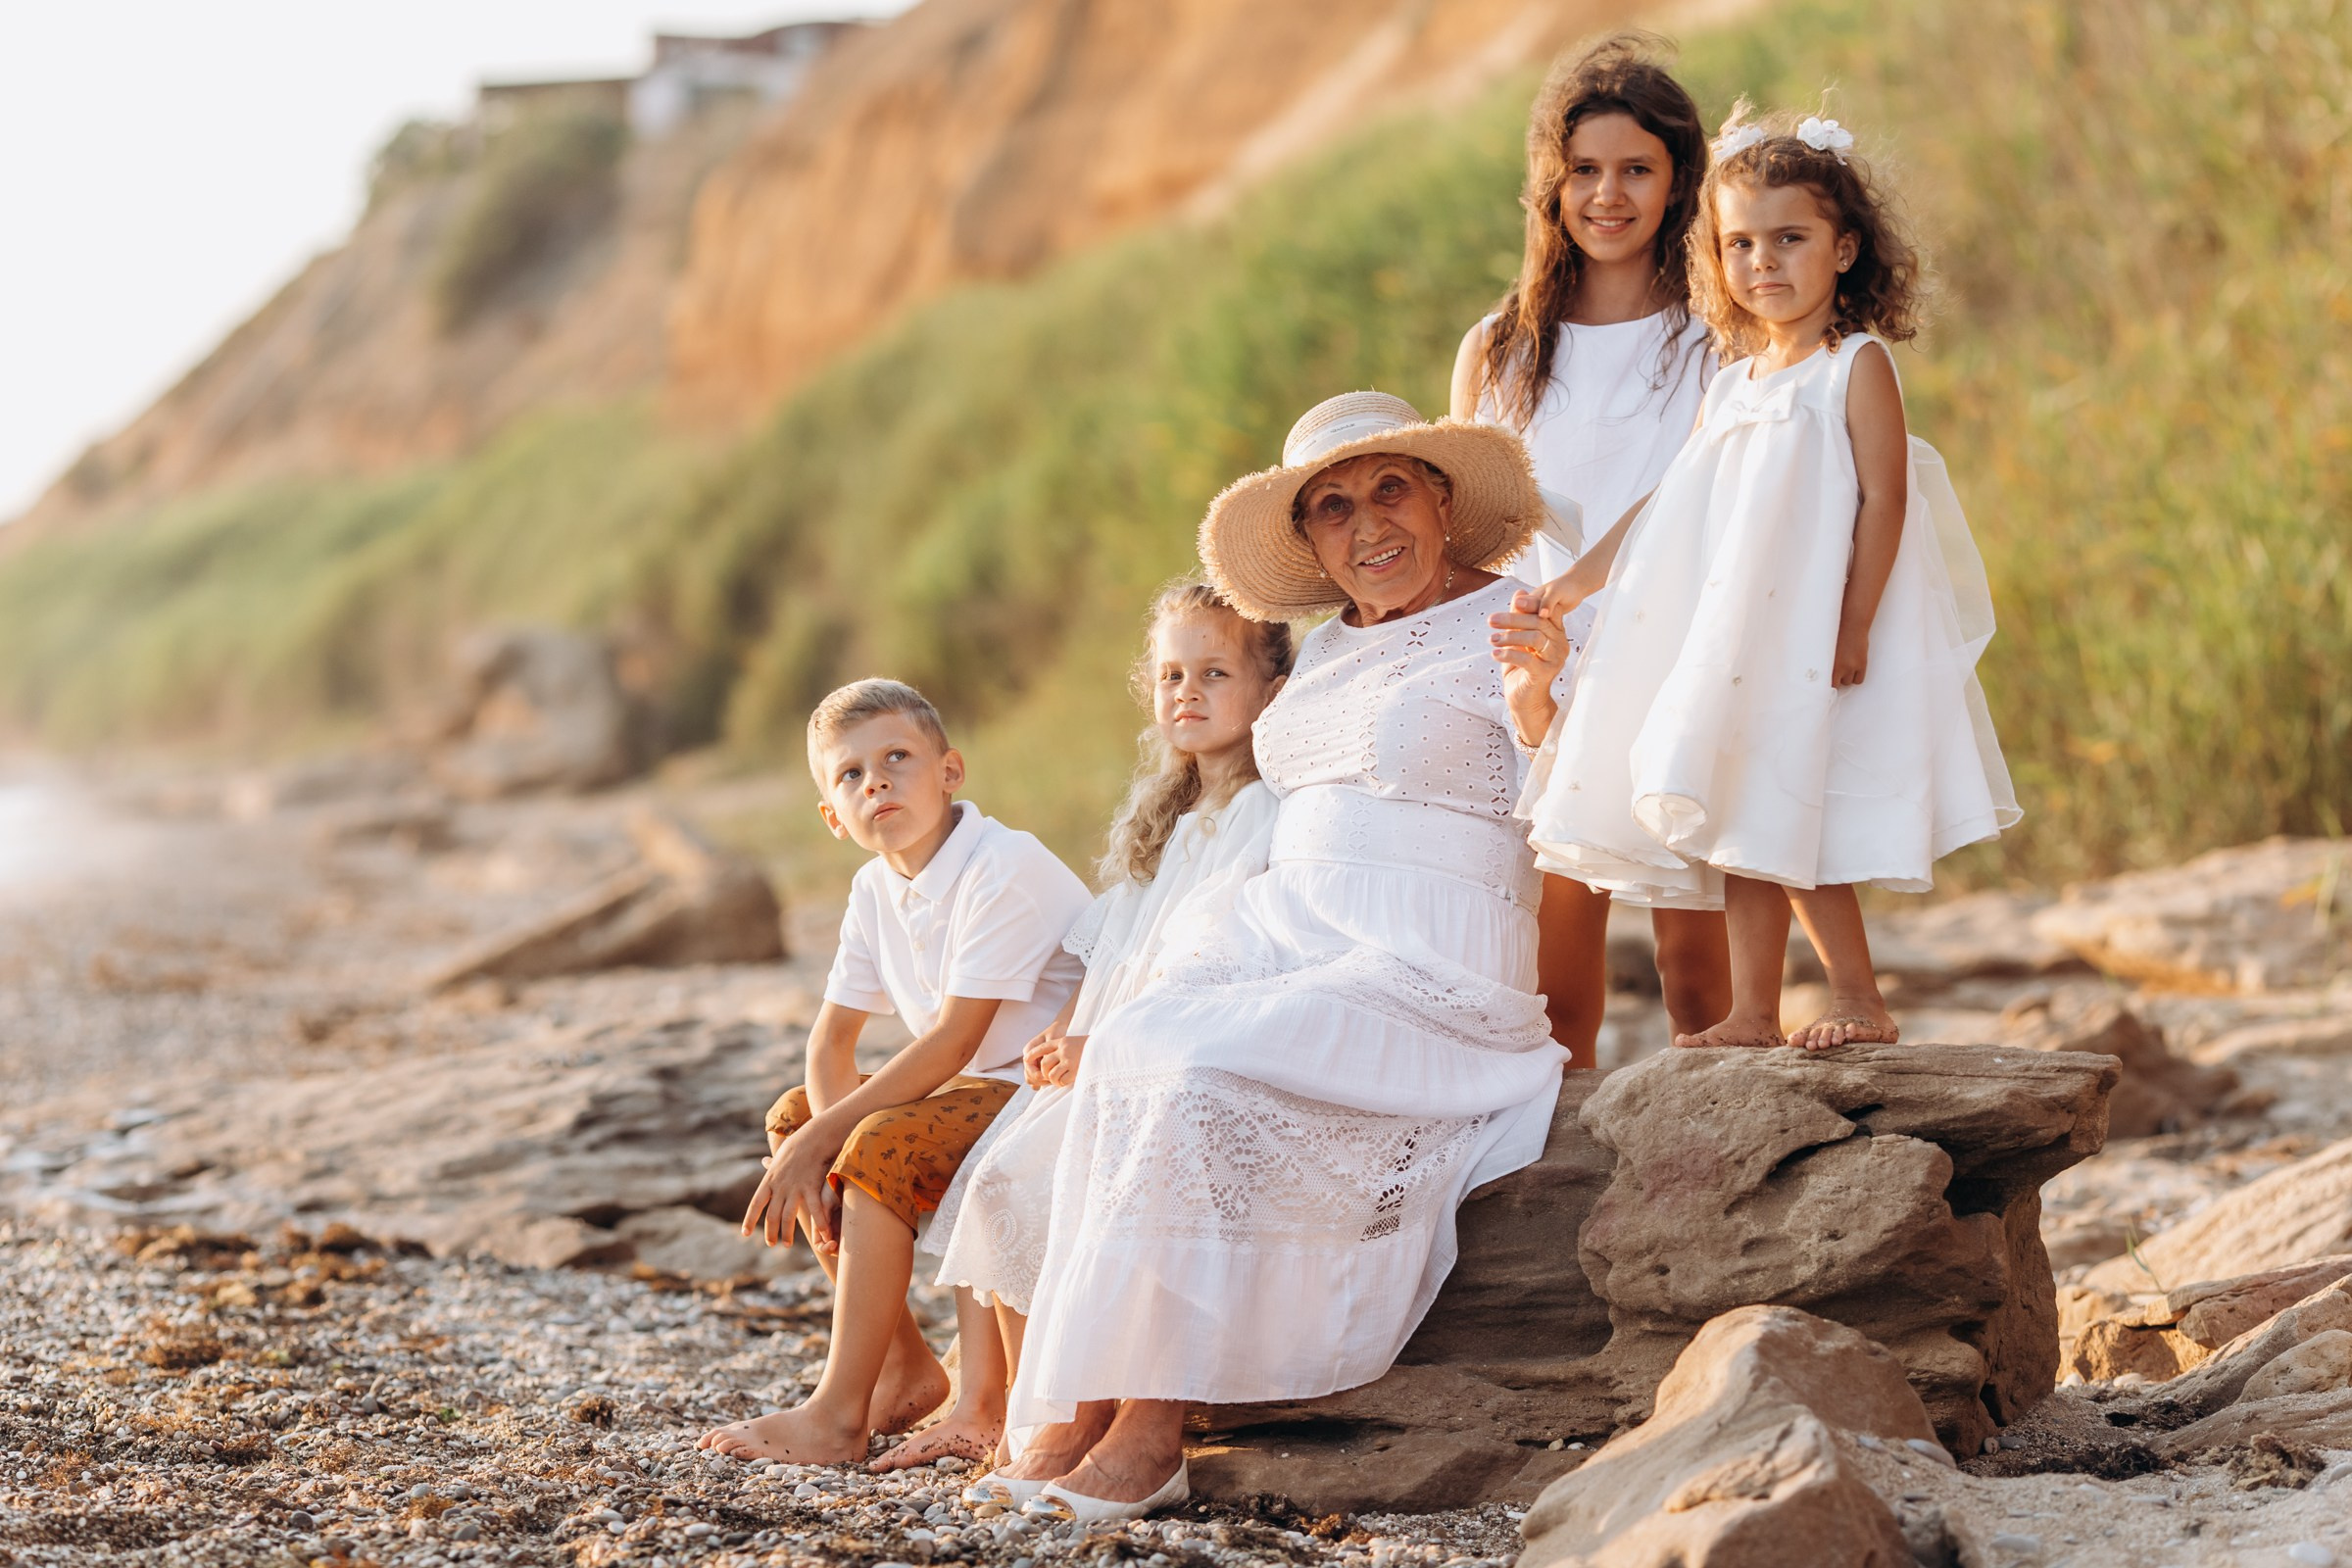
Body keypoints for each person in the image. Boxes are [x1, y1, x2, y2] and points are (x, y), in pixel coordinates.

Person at [983, 391, 1576, 1524]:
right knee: (1137, 1048)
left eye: (1389, 489)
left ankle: (1154, 1431)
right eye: (1332, 507)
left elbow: (1589, 803)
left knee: (1204, 1074)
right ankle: (1088, 1402)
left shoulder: (1518, 618)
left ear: (1442, 498)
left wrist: (1539, 703)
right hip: (1284, 926)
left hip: (1425, 952)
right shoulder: (1325, 655)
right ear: (1308, 539)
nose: (1367, 525)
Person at [1512, 106, 2019, 1052]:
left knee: (1797, 811)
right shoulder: (1737, 381)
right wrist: (1580, 581)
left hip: (1811, 632)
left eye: (1790, 239)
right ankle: (1753, 1010)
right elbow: (1670, 503)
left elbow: (1884, 502)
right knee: (1737, 808)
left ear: (1845, 249)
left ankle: (1860, 996)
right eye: (1740, 243)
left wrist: (1854, 621)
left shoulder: (1850, 367)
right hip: (1734, 636)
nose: (1764, 263)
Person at [933, 581, 1291, 1505]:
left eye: (1216, 673)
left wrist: (1110, 1047)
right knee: (1007, 1177)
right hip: (1110, 1047)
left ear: (1271, 689)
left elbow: (1211, 965)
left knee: (1093, 1181)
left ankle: (1118, 1420)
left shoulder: (1265, 812)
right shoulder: (1164, 821)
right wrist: (1067, 1029)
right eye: (1172, 674)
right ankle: (1060, 1414)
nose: (1188, 692)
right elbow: (1113, 955)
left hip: (1165, 1055)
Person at [698, 678, 1092, 1465]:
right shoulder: (875, 889)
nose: (874, 781)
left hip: (1050, 1084)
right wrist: (812, 1141)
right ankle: (904, 1364)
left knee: (873, 1140)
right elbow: (829, 1044)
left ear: (950, 771)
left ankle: (837, 1415)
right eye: (849, 775)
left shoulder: (1000, 865)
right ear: (832, 818)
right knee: (794, 1118)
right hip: (976, 1089)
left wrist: (838, 1144)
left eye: (897, 759)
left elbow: (952, 1042)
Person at [1452, 32, 1732, 1066]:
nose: (1607, 195)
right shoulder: (1503, 347)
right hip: (1540, 680)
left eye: (1636, 170)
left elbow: (1711, 498)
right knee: (1553, 1000)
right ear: (1550, 184)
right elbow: (1473, 531)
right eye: (1583, 171)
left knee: (1704, 990)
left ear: (1677, 182)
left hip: (1677, 668)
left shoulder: (1717, 336)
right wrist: (1515, 673)